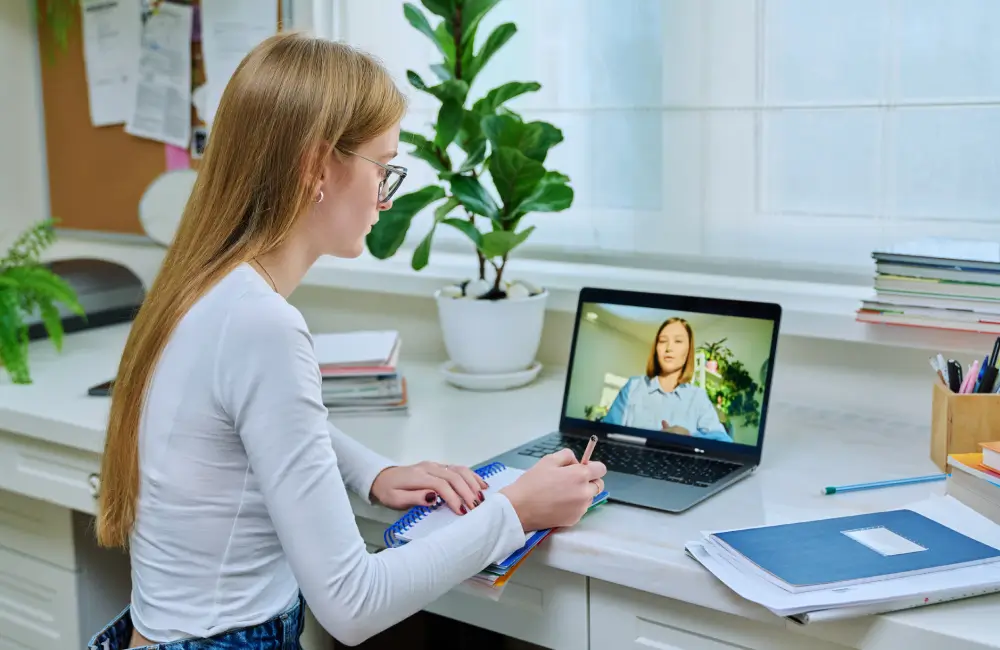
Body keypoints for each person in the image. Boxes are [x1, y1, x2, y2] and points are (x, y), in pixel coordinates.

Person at [89, 32, 606, 650]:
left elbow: (261, 423)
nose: (387, 198)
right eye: (382, 168)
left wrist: (374, 472)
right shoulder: (264, 326)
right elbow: (353, 605)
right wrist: (515, 511)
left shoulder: (205, 290)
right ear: (316, 168)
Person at [602, 317, 733, 442]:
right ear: (656, 348)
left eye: (678, 341)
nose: (669, 348)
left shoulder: (697, 397)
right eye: (663, 341)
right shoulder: (633, 386)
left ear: (688, 351)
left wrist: (689, 437)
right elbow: (603, 434)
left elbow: (724, 442)